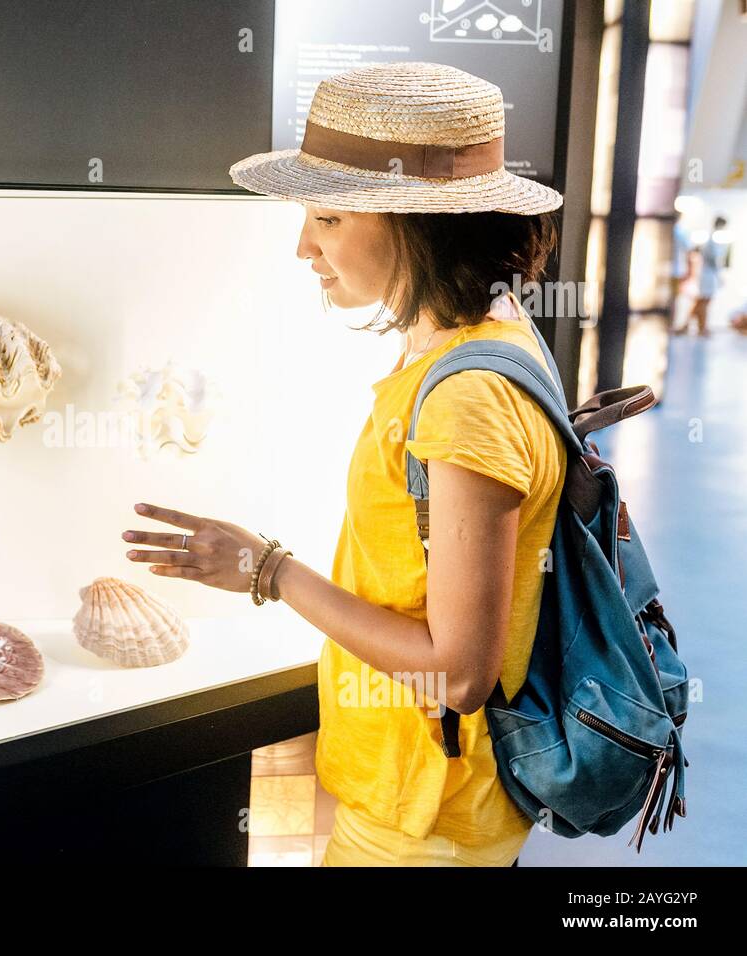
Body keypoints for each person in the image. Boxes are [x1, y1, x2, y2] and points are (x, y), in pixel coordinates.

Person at [120, 62, 568, 866]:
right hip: (418, 799)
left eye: (326, 218)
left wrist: (268, 570)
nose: (303, 247)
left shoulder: (465, 396)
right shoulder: (481, 338)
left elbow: (456, 675)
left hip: (422, 820)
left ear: (417, 223)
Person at [677, 215, 729, 337]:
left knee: (701, 301)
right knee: (703, 301)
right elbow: (715, 260)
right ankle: (701, 327)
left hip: (709, 274)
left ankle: (688, 326)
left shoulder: (713, 239)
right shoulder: (713, 239)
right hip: (708, 275)